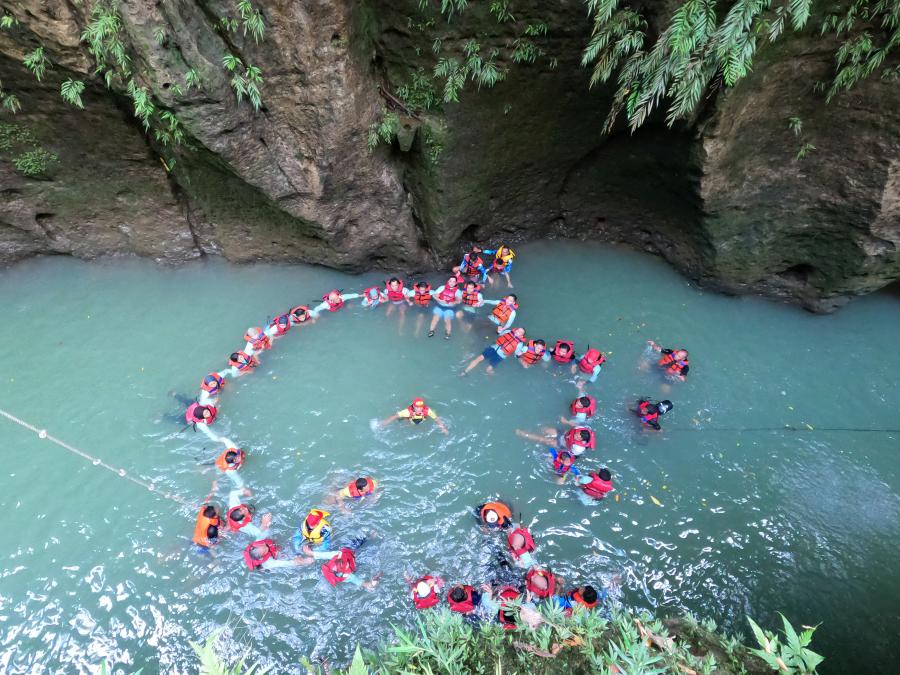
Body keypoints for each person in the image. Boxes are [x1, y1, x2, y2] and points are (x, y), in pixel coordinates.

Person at [301, 538, 379, 589]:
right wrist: (374, 582)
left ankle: (370, 537)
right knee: (362, 547)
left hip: (342, 572)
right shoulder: (348, 576)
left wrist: (307, 550)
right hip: (355, 559)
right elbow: (366, 585)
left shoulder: (335, 555)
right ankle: (371, 537)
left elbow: (316, 554)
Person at [462, 327, 526, 375]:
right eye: (518, 330)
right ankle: (465, 372)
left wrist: (518, 355)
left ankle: (491, 377)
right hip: (493, 348)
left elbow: (516, 355)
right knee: (478, 358)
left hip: (500, 356)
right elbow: (499, 334)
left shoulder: (519, 344)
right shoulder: (508, 331)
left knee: (488, 370)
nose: (518, 331)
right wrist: (498, 331)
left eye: (520, 332)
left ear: (522, 335)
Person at [378, 398, 449, 434]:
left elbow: (436, 419)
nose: (419, 409)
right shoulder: (407, 412)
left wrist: (443, 428)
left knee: (419, 427)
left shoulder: (428, 410)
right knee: (405, 425)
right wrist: (384, 423)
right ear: (413, 406)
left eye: (420, 407)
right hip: (408, 419)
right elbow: (394, 416)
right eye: (417, 407)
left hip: (420, 419)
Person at [516, 426, 595, 456]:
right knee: (544, 429)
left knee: (544, 440)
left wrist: (557, 453)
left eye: (579, 437)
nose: (576, 435)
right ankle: (533, 430)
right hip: (563, 435)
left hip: (562, 445)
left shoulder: (578, 448)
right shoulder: (579, 428)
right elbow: (571, 429)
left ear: (582, 440)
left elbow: (570, 454)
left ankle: (523, 434)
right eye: (578, 434)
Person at [243, 539, 312, 571]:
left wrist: (265, 524)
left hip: (272, 550)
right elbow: (287, 563)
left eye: (264, 545)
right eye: (265, 549)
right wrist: (304, 561)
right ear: (262, 557)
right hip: (270, 564)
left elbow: (263, 531)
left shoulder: (258, 543)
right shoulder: (269, 562)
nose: (265, 545)